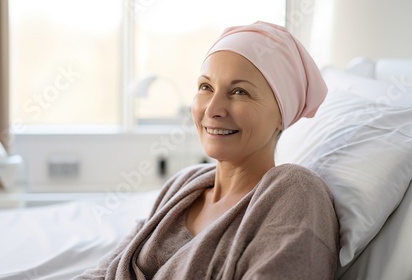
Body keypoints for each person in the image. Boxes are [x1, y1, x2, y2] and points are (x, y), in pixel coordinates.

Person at [75, 21, 339, 280]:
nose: (212, 109)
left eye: (239, 92)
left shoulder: (295, 191)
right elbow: (108, 269)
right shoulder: (185, 184)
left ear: (282, 115)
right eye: (205, 87)